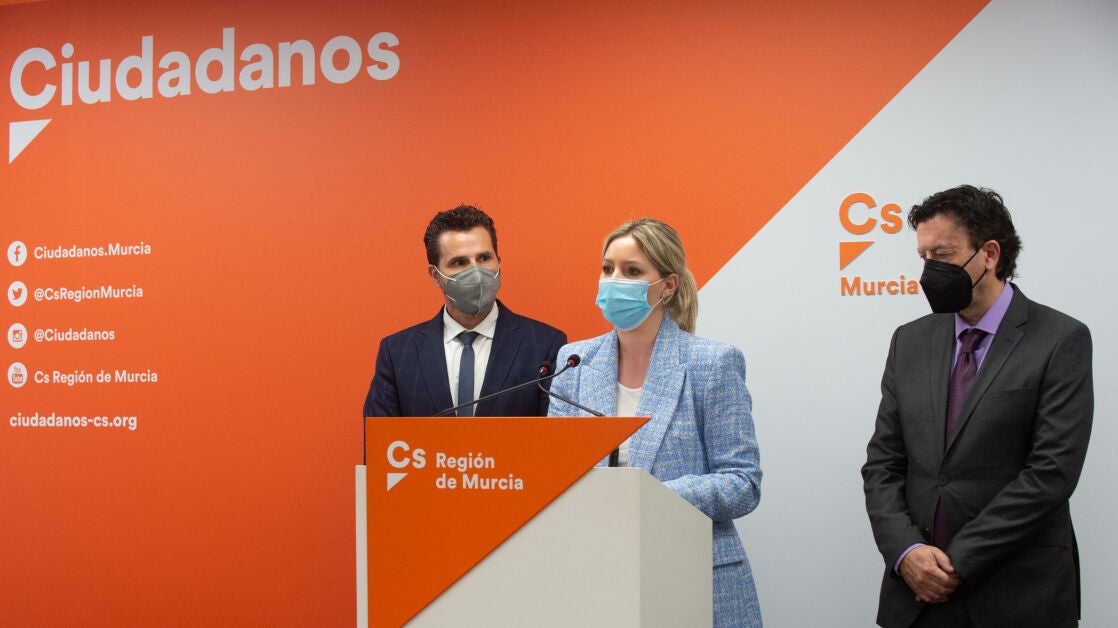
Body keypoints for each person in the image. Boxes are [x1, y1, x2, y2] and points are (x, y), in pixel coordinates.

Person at [862, 185, 1093, 628]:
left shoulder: (1060, 339)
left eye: (942, 254)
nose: (929, 270)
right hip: (917, 596)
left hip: (1018, 594)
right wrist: (907, 553)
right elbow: (883, 463)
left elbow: (1051, 472)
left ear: (989, 253)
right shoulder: (910, 341)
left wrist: (958, 561)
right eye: (923, 256)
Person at [547, 218, 763, 628]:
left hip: (691, 574)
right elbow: (557, 474)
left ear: (667, 285)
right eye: (607, 268)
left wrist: (652, 497)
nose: (614, 280)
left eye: (632, 271)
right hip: (595, 575)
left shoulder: (711, 363)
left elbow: (743, 483)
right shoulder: (574, 363)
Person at [363, 204, 566, 418]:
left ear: (499, 263)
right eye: (459, 262)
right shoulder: (398, 353)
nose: (476, 272)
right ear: (435, 275)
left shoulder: (545, 345)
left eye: (484, 258)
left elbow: (558, 434)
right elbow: (379, 437)